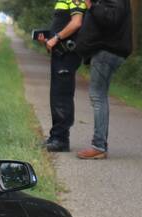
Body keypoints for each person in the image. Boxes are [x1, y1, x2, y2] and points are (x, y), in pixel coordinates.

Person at [74, 0, 133, 159]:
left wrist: (91, 6)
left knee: (98, 96)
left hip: (107, 51)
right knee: (100, 96)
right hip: (106, 51)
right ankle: (100, 145)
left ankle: (99, 146)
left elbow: (111, 18)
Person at [38, 0, 86, 152]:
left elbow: (77, 22)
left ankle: (61, 140)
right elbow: (64, 24)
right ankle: (55, 136)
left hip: (67, 54)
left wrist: (56, 38)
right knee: (56, 96)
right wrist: (48, 39)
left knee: (62, 96)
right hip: (59, 54)